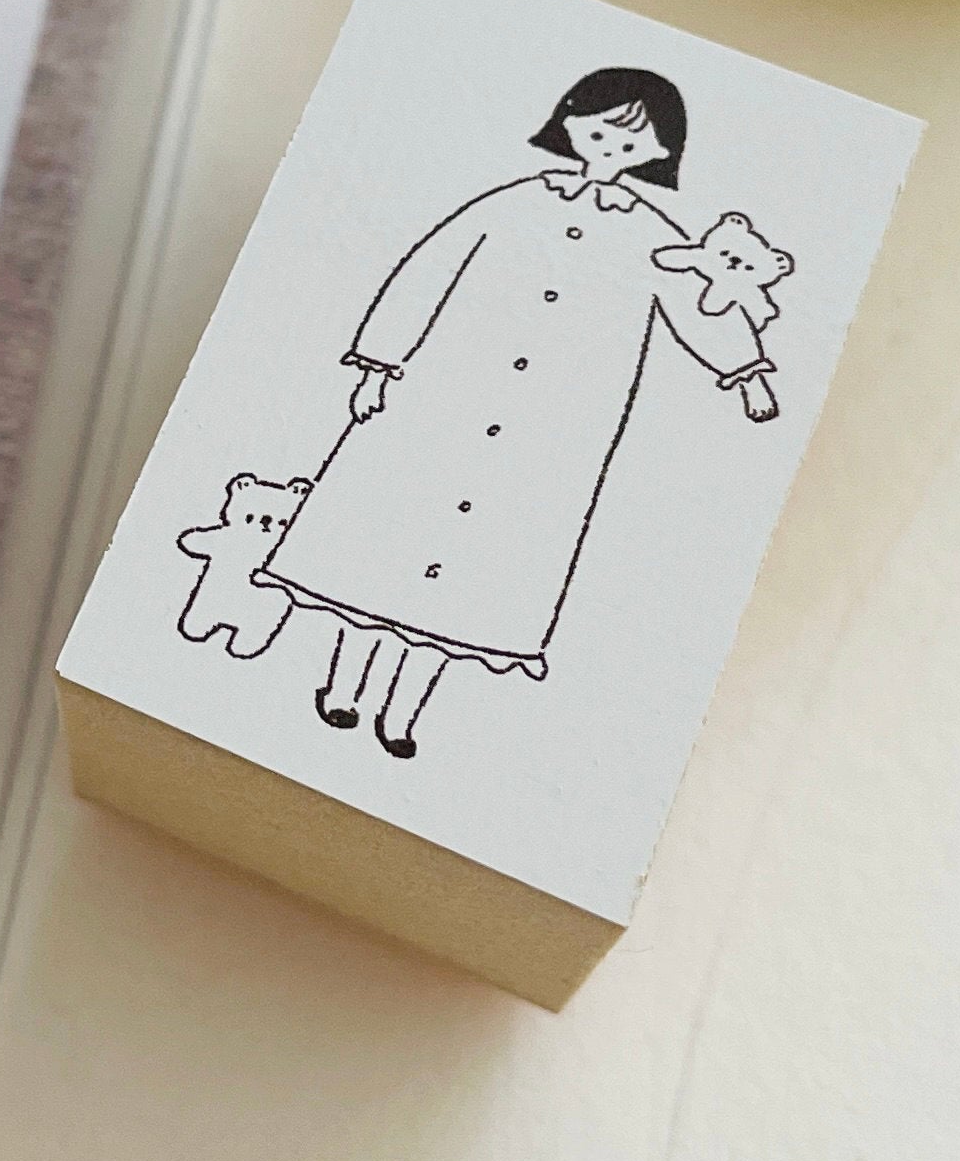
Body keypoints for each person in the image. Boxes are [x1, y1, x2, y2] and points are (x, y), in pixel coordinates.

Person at [251, 68, 786, 759]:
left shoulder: (655, 238)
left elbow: (699, 305)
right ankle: (342, 688)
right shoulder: (514, 202)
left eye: (631, 141)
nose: (611, 149)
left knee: (476, 576)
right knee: (383, 543)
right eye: (600, 132)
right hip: (445, 400)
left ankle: (402, 714)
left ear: (659, 153)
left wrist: (744, 372)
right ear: (569, 123)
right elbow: (427, 270)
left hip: (554, 429)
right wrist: (380, 362)